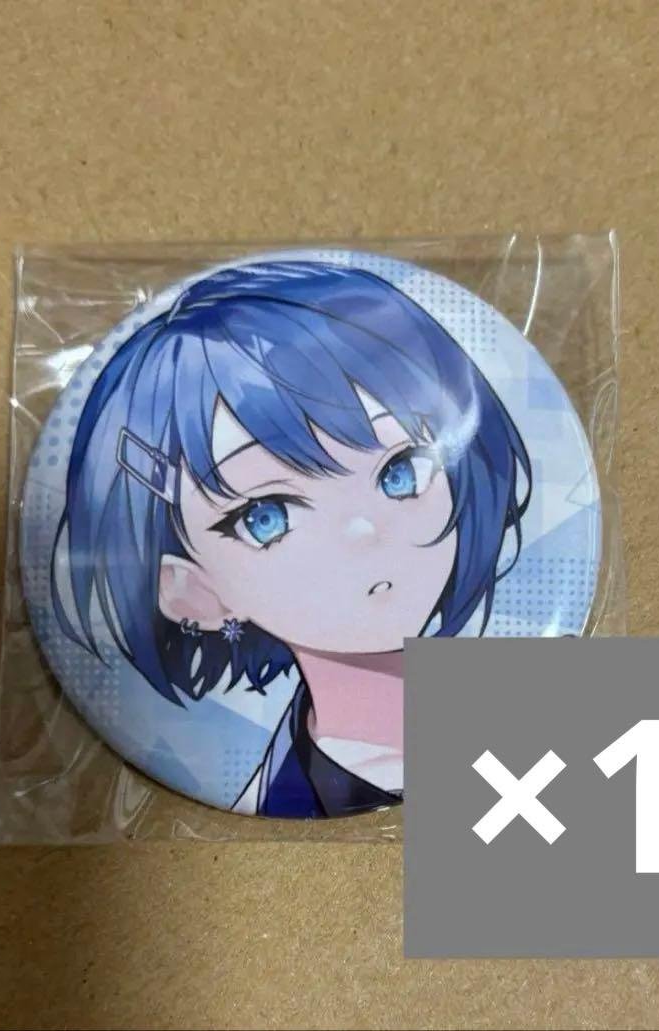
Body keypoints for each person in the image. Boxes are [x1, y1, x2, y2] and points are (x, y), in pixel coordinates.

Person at [52, 259, 530, 818]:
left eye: (399, 472)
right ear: (189, 590)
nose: (362, 530)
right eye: (267, 518)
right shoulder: (289, 788)